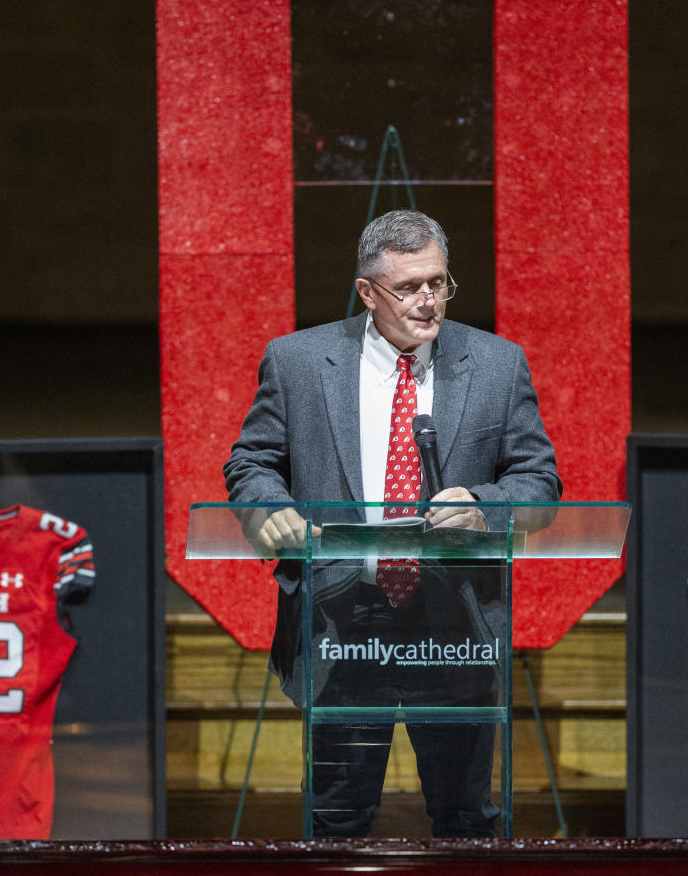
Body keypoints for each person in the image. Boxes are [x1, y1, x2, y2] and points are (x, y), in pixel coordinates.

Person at [224, 209, 561, 837]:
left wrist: (486, 507)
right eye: (408, 288)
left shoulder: (497, 364)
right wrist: (268, 509)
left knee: (466, 820)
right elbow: (252, 461)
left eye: (438, 283)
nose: (428, 302)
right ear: (367, 292)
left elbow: (539, 485)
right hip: (341, 614)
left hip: (455, 619)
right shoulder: (298, 361)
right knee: (335, 819)